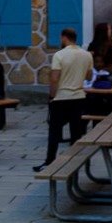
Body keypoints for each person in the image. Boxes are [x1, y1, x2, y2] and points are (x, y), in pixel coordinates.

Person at [36, 28, 94, 170]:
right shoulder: (87, 55)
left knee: (54, 131)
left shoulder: (59, 55)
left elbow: (54, 79)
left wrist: (51, 96)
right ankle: (74, 162)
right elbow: (89, 77)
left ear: (64, 38)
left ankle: (50, 161)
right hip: (79, 97)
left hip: (61, 97)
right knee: (76, 132)